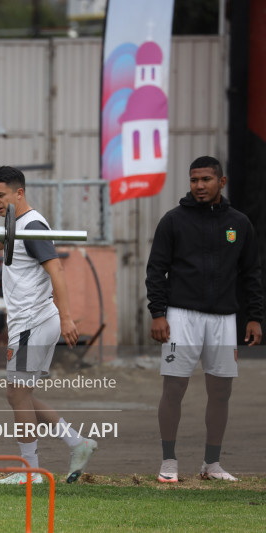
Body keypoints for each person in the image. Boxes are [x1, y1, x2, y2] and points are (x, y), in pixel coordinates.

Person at [0, 166, 97, 485]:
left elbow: (57, 270)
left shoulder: (33, 225)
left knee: (16, 395)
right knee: (21, 395)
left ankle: (30, 472)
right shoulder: (16, 224)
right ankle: (77, 443)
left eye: (1, 195)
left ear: (20, 193)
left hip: (34, 323)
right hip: (29, 324)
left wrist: (68, 317)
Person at [146, 155, 263, 483]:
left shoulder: (239, 223)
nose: (199, 186)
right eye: (194, 180)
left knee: (221, 391)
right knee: (174, 388)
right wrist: (158, 312)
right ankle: (168, 461)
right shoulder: (173, 221)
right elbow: (156, 269)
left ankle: (212, 464)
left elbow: (251, 273)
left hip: (224, 318)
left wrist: (254, 317)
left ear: (221, 182)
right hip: (181, 316)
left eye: (206, 180)